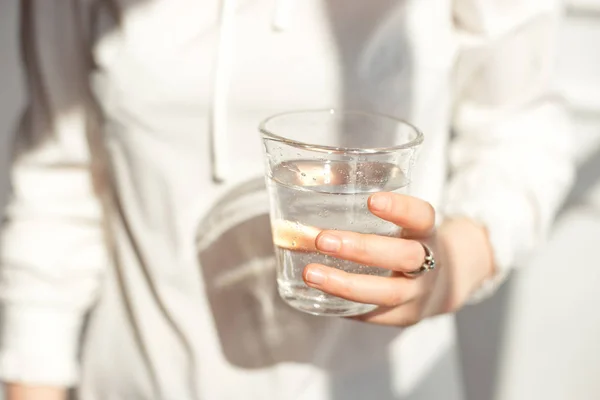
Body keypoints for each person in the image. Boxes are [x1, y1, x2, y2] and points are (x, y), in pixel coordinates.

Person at [0, 0, 574, 399]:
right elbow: (55, 184)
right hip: (138, 382)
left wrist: (453, 261)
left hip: (383, 387)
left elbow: (521, 125)